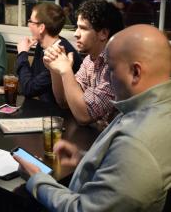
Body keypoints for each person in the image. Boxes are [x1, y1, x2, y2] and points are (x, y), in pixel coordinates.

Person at [14, 24, 171, 211]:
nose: (108, 77)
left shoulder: (136, 142)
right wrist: (88, 159)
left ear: (136, 72)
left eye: (111, 69)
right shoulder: (154, 108)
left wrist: (37, 179)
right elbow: (125, 174)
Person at [44, 0, 124, 126]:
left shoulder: (116, 67)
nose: (76, 34)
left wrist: (65, 70)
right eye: (77, 27)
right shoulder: (89, 60)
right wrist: (55, 68)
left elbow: (84, 115)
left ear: (103, 33)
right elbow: (64, 101)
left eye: (83, 28)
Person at [16, 2, 82, 103]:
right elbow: (31, 81)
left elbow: (29, 89)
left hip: (61, 114)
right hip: (44, 109)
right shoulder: (42, 45)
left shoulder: (59, 54)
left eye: (30, 21)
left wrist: (22, 54)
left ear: (41, 28)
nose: (28, 24)